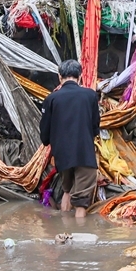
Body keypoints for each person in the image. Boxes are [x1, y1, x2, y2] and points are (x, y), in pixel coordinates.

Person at [39, 59, 100, 218]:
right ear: (79, 77)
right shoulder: (91, 96)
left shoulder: (51, 99)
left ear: (60, 77)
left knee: (66, 191)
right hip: (84, 154)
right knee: (80, 202)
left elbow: (44, 133)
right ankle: (77, 236)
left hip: (63, 156)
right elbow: (95, 127)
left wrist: (49, 141)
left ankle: (63, 229)